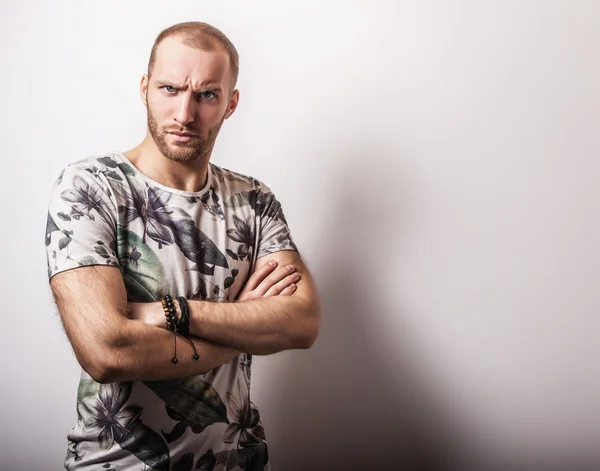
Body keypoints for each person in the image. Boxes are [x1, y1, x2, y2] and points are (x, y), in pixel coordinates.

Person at [45, 21, 320, 471]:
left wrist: (170, 313)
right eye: (170, 89)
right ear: (144, 88)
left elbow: (301, 323)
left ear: (231, 103)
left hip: (239, 460)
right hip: (119, 464)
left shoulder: (254, 200)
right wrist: (241, 332)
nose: (185, 113)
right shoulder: (91, 187)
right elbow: (106, 352)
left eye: (207, 95)